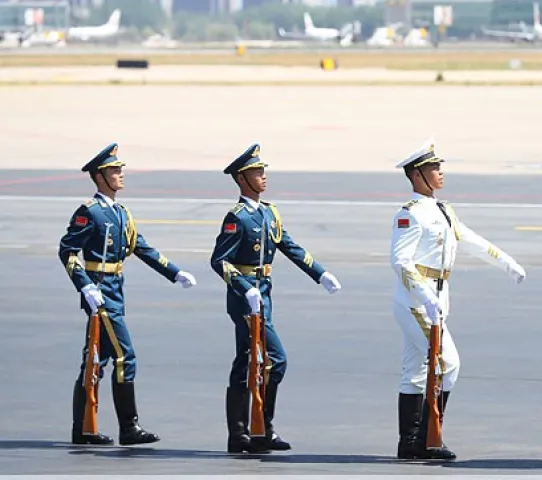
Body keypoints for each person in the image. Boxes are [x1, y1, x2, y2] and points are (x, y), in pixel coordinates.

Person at [390, 139, 527, 461]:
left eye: (439, 167)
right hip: (415, 304)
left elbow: (470, 239)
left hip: (437, 299)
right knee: (447, 364)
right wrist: (424, 295)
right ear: (417, 175)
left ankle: (409, 443)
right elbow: (401, 261)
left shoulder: (442, 210)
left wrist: (506, 262)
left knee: (414, 370)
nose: (440, 173)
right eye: (434, 168)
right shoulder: (409, 215)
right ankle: (427, 439)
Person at [58, 143, 198, 446]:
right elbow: (68, 252)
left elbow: (143, 249)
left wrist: (174, 272)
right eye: (114, 170)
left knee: (98, 358)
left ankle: (82, 429)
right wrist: (84, 284)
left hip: (115, 290)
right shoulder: (89, 212)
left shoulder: (122, 213)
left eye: (120, 169)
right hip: (99, 290)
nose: (121, 174)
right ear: (99, 176)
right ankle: (128, 427)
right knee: (125, 355)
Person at [210, 143, 342, 454]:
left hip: (264, 295)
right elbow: (220, 261)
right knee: (275, 359)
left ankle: (248, 432)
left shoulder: (269, 213)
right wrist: (245, 288)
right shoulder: (237, 217)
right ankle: (258, 428)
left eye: (262, 170)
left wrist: (319, 273)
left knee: (246, 359)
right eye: (257, 172)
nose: (263, 176)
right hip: (246, 301)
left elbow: (289, 246)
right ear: (243, 179)